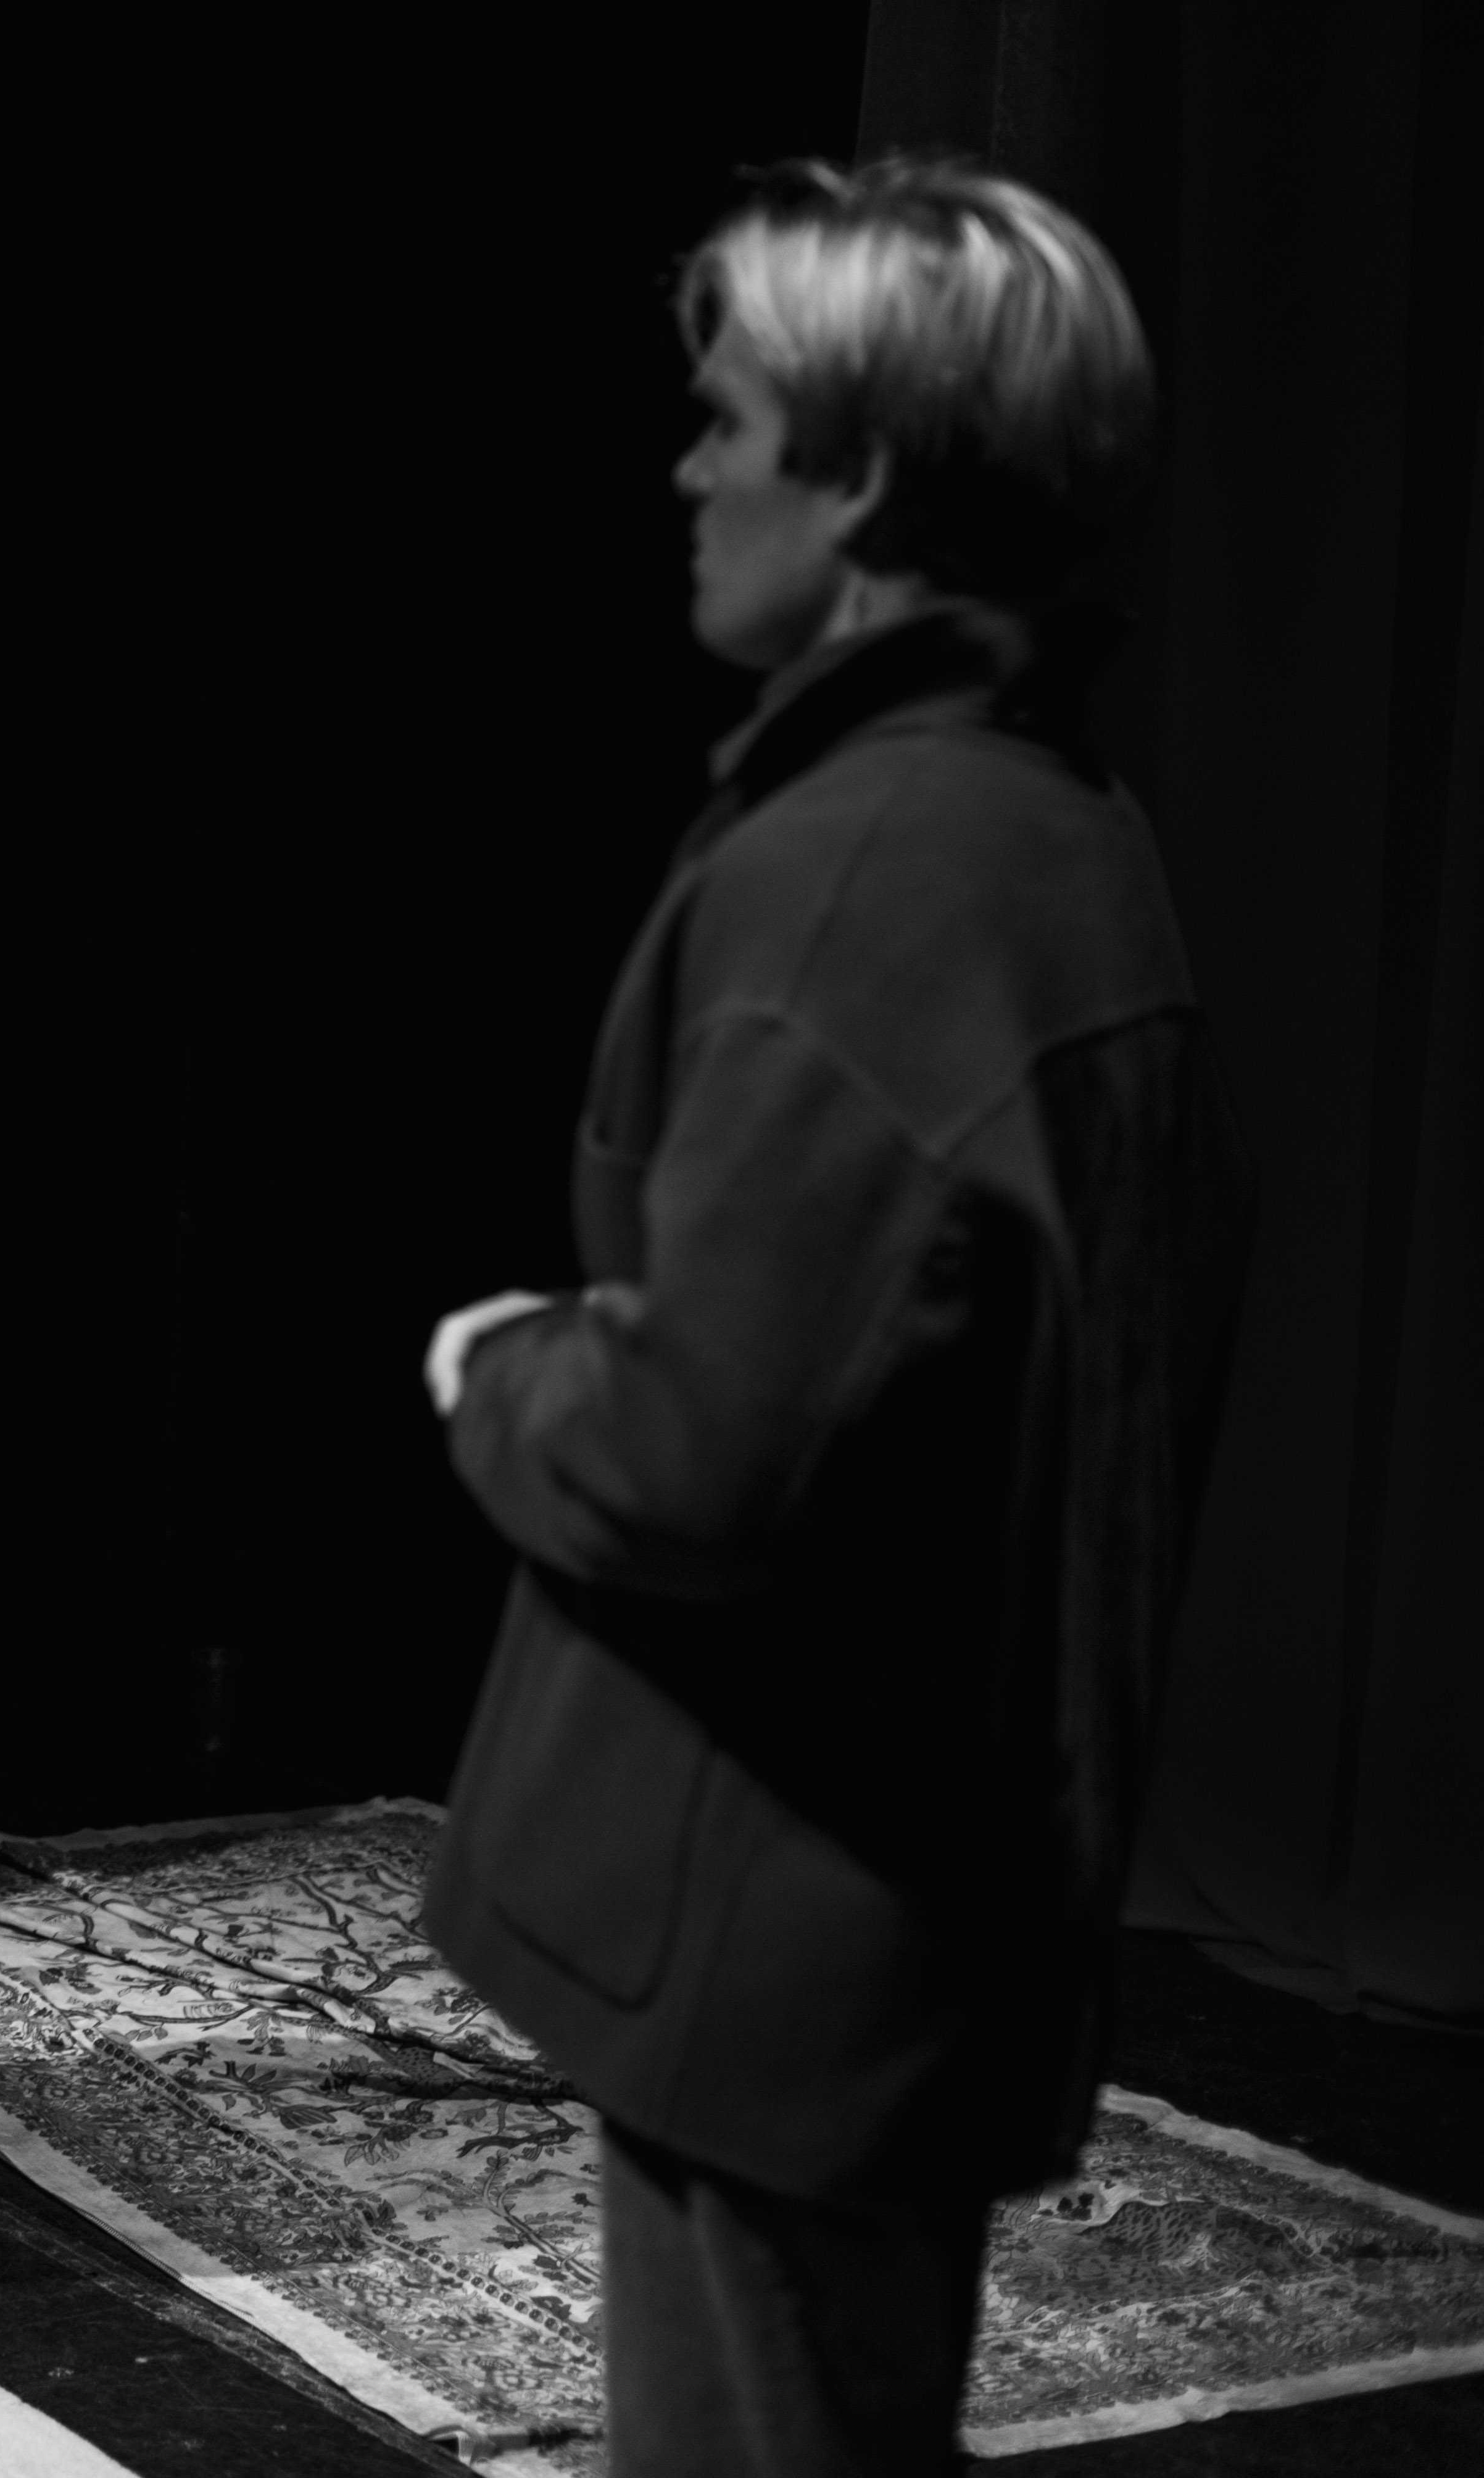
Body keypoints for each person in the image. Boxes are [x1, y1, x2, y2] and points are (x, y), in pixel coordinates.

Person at [417, 159, 1251, 2476]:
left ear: (864, 467)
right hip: (899, 1895)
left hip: (785, 1915)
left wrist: (499, 1370)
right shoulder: (1058, 828)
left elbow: (701, 1447)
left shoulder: (874, 865)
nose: (688, 470)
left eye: (726, 417)